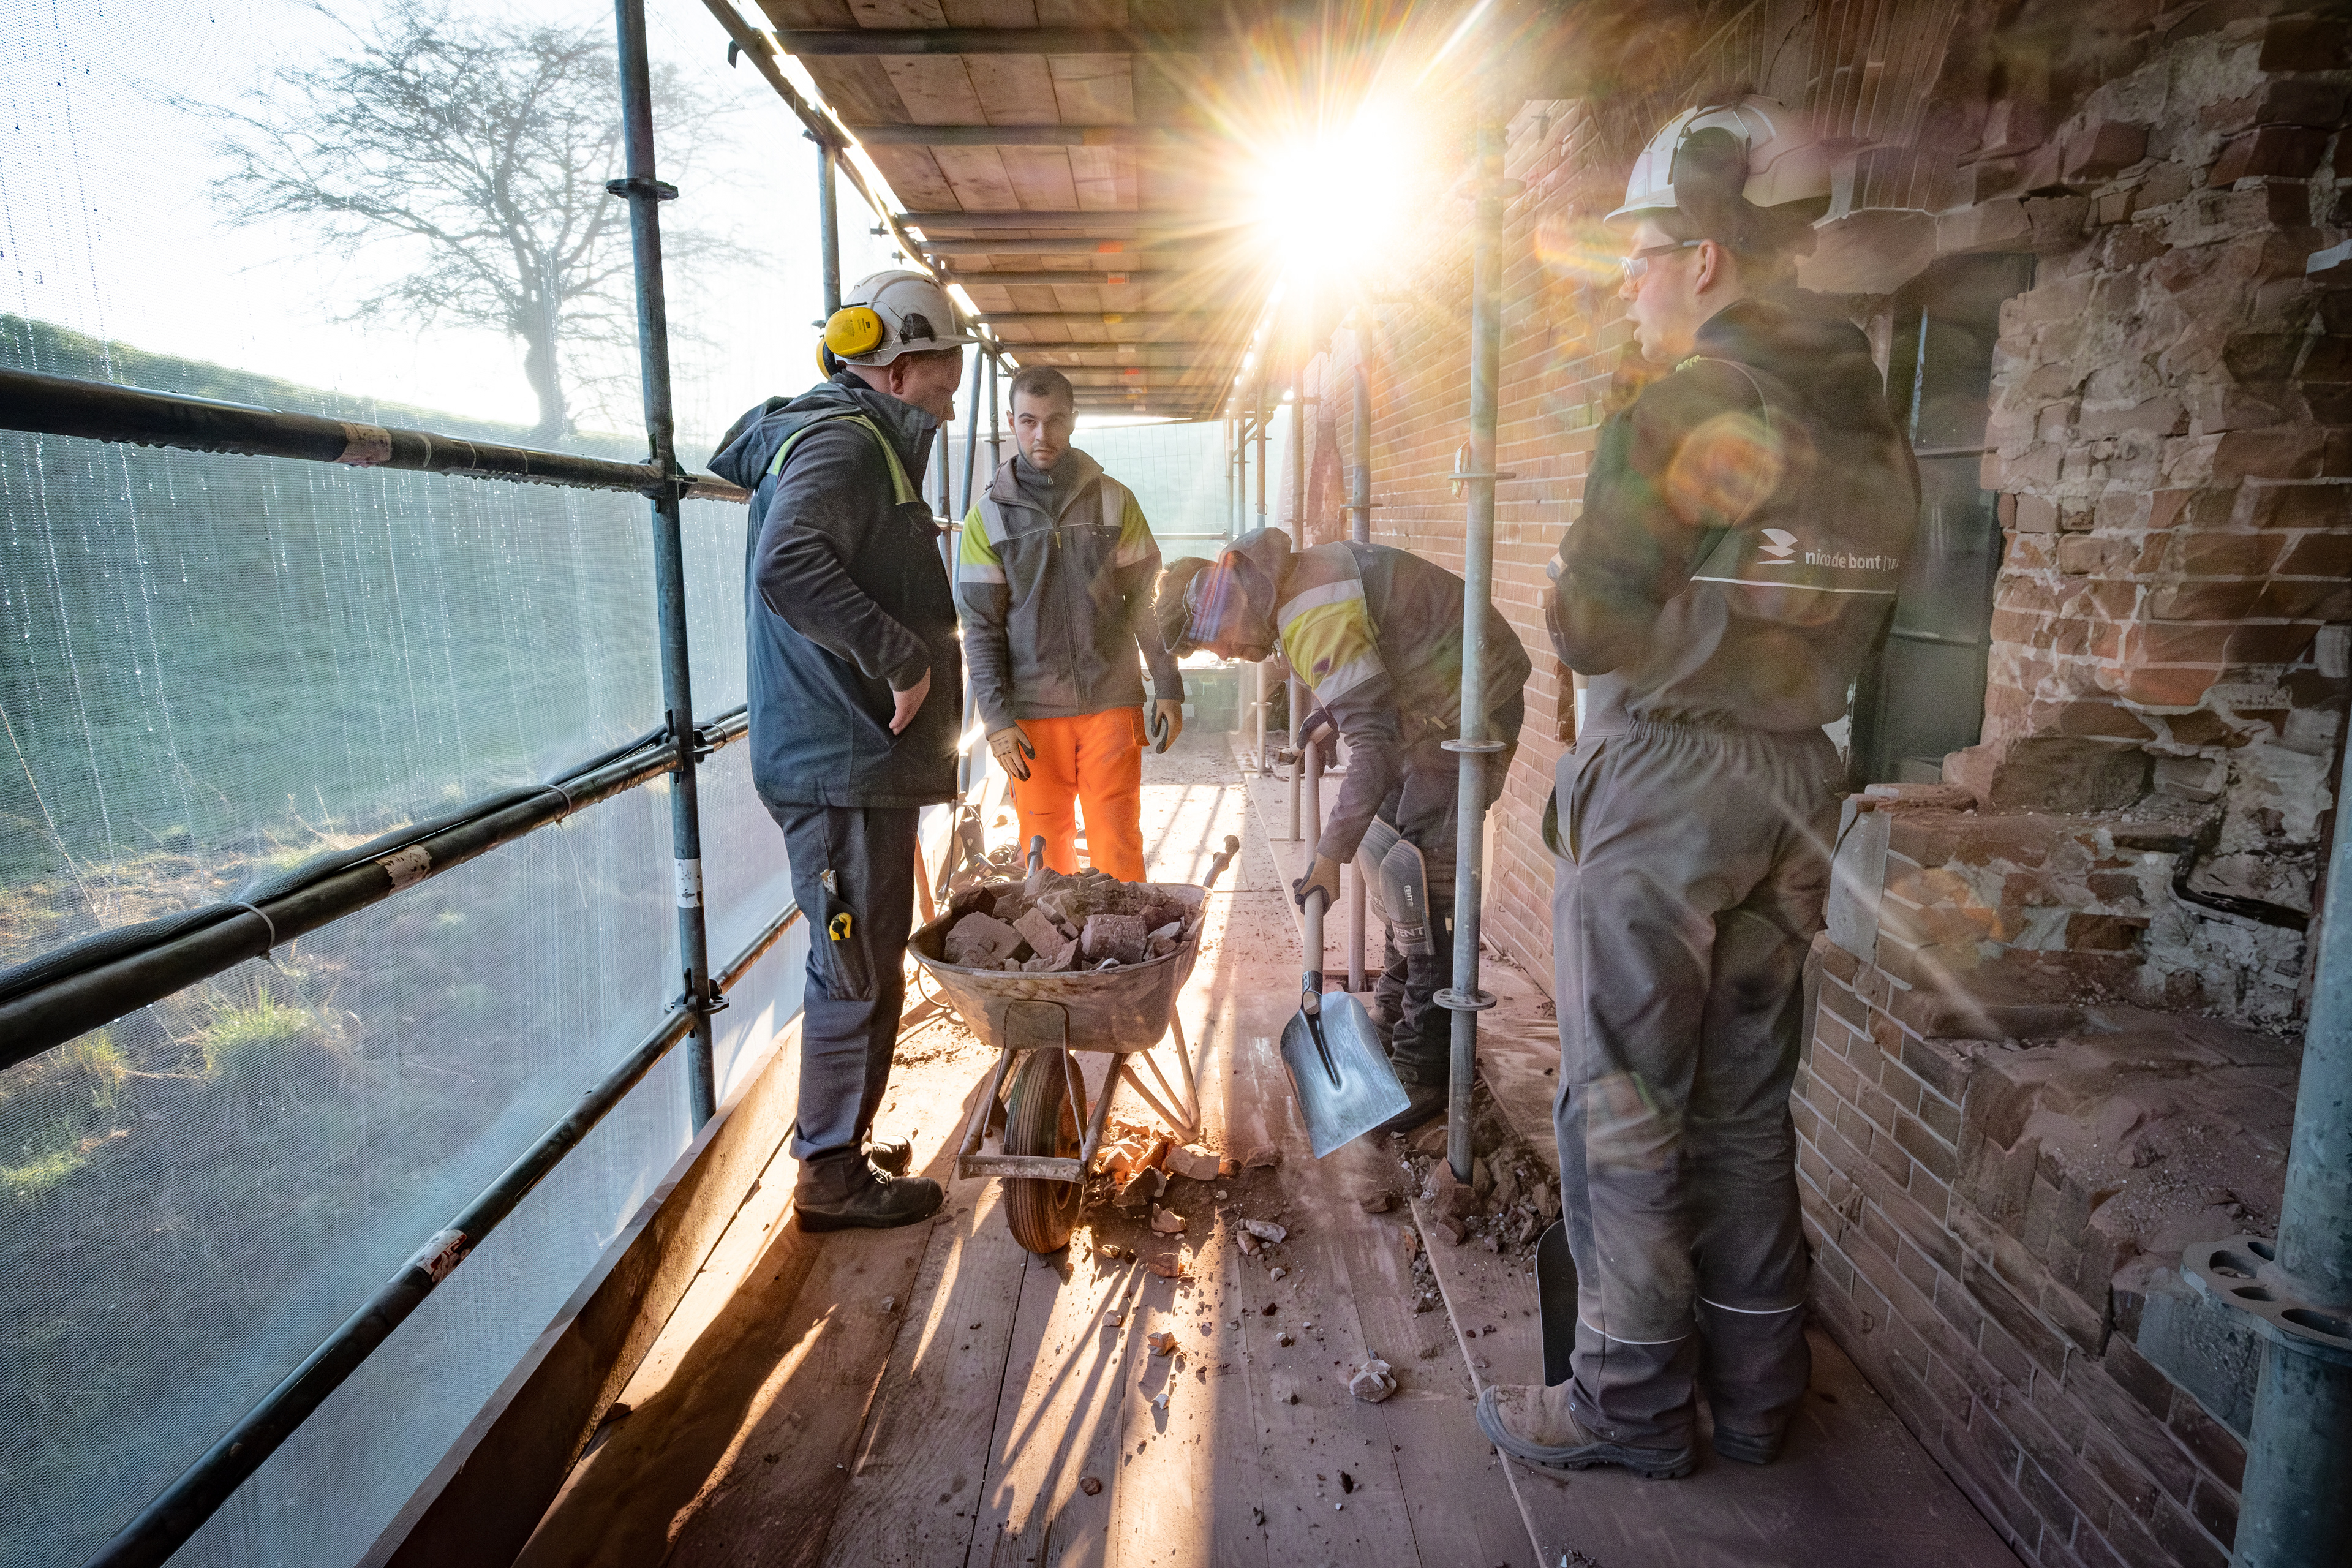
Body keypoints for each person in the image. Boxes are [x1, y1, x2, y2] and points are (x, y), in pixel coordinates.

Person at [1476, 99, 1918, 1478]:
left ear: (1707, 258)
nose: (1631, 282)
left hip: (1671, 778)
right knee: (1740, 1107)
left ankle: (1630, 1399)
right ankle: (1758, 1387)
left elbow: (1591, 627)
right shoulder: (1875, 428)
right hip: (1798, 781)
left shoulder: (1688, 403)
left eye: (1643, 254)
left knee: (1622, 1106)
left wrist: (1579, 577)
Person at [708, 270, 973, 1232]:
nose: (952, 396)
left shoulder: (851, 440)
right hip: (839, 763)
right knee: (853, 970)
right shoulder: (846, 444)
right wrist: (903, 659)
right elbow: (789, 565)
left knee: (861, 961)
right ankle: (828, 1177)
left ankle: (842, 1144)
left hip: (850, 757)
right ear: (897, 367)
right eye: (942, 377)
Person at [1158, 530, 1528, 1129]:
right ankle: (1393, 1016)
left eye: (1212, 643)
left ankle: (1424, 1067)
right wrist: (1334, 711)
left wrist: (1329, 856)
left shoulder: (1308, 615)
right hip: (1435, 700)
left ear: (1226, 609)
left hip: (1469, 708)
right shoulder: (1282, 584)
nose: (1223, 656)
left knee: (1428, 888)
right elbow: (1377, 649)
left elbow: (1373, 751)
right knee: (1398, 873)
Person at [959, 366, 1185, 881]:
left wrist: (1168, 683)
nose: (1043, 435)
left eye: (1056, 420)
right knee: (1044, 857)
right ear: (1012, 422)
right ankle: (1056, 939)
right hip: (1031, 714)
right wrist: (996, 719)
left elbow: (1145, 602)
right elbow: (981, 629)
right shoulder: (986, 518)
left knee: (1118, 844)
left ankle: (1124, 934)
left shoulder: (1115, 500)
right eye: (1029, 421)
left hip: (1112, 700)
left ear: (1074, 420)